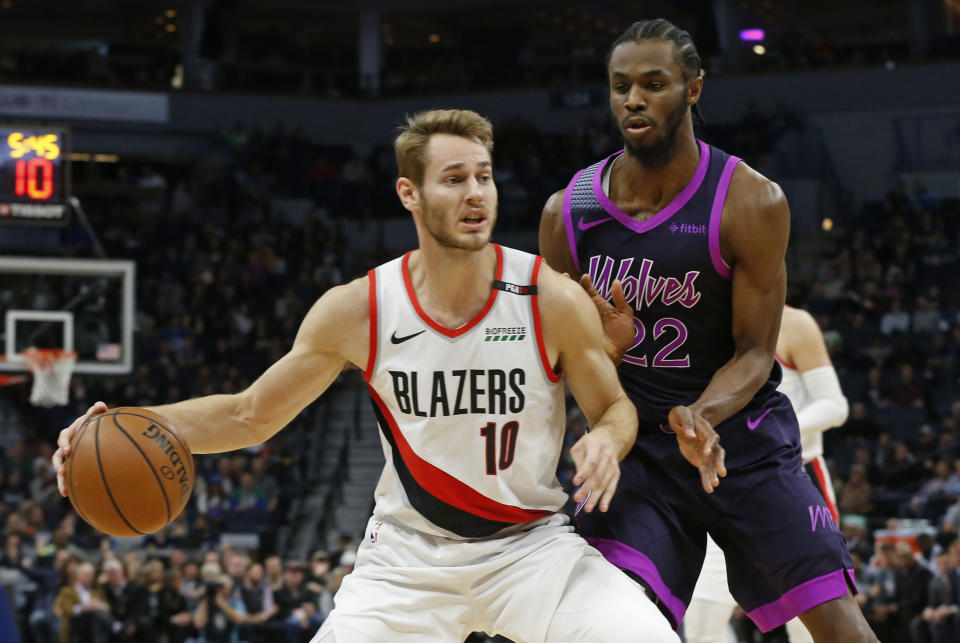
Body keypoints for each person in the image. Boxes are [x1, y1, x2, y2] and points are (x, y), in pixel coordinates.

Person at [53, 108, 688, 642]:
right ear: (409, 194)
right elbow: (251, 414)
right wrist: (129, 424)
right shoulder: (359, 309)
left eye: (485, 177)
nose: (475, 193)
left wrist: (607, 438)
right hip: (405, 561)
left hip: (531, 549)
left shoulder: (549, 297)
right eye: (454, 178)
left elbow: (615, 409)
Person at [539, 18, 877, 642]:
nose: (633, 100)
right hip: (637, 454)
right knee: (598, 626)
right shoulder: (570, 211)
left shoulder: (751, 201)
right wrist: (603, 354)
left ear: (694, 88)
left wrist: (700, 414)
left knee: (841, 631)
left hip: (741, 445)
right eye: (620, 87)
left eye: (653, 83)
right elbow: (553, 358)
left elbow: (753, 351)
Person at [684, 305, 850, 643]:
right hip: (725, 483)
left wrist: (766, 437)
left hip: (791, 479)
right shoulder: (703, 317)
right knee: (702, 625)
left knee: (811, 627)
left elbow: (835, 405)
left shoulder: (795, 322)